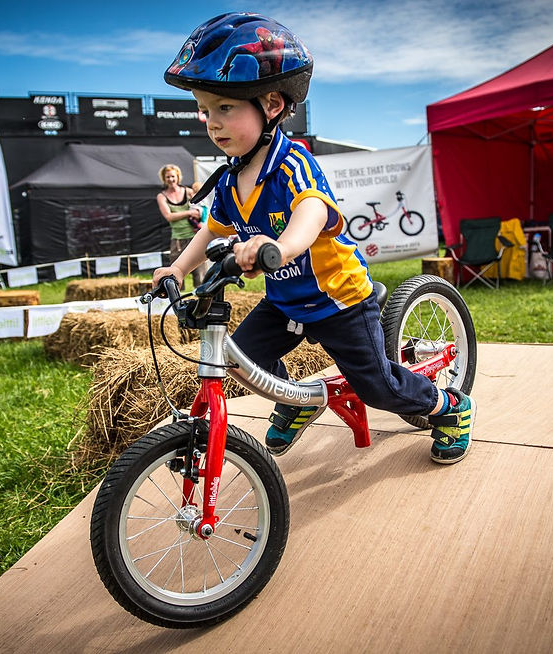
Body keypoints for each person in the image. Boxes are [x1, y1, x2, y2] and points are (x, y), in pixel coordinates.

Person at [153, 13, 476, 464]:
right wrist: (178, 267)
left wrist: (280, 247)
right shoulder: (229, 180)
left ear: (270, 105)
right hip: (287, 300)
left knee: (377, 387)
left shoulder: (292, 163)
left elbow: (311, 210)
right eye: (206, 110)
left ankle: (449, 408)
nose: (212, 122)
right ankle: (298, 399)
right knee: (240, 360)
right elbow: (213, 227)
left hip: (339, 300)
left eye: (225, 108)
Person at [156, 164, 205, 288]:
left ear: (178, 177)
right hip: (177, 239)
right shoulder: (162, 196)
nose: (171, 179)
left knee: (199, 274)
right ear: (164, 179)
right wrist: (189, 212)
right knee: (174, 274)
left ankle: (201, 299)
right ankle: (177, 300)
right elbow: (169, 216)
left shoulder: (188, 192)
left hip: (195, 237)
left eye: (173, 176)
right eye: (168, 177)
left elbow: (201, 208)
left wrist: (199, 213)